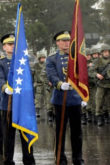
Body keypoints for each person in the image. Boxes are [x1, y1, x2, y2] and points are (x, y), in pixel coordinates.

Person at [0, 33, 35, 165]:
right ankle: (8, 160)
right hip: (8, 104)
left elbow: (30, 79)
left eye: (14, 44)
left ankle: (29, 160)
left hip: (23, 104)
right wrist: (5, 87)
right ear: (4, 46)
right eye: (10, 44)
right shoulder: (0, 63)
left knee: (26, 134)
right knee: (8, 136)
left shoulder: (23, 61)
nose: (12, 46)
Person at [46, 31, 84, 165]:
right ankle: (60, 158)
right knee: (60, 130)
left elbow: (83, 76)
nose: (66, 43)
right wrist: (60, 84)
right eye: (63, 40)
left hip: (74, 99)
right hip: (60, 99)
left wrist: (84, 96)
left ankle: (78, 158)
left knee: (77, 132)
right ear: (57, 42)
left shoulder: (76, 57)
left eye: (68, 40)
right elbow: (51, 75)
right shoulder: (51, 59)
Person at [91, 44, 110, 126]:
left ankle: (107, 116)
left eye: (108, 52)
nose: (107, 53)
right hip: (101, 84)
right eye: (105, 52)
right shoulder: (97, 61)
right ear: (102, 53)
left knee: (108, 102)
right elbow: (91, 71)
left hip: (109, 84)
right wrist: (97, 75)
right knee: (99, 101)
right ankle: (99, 116)